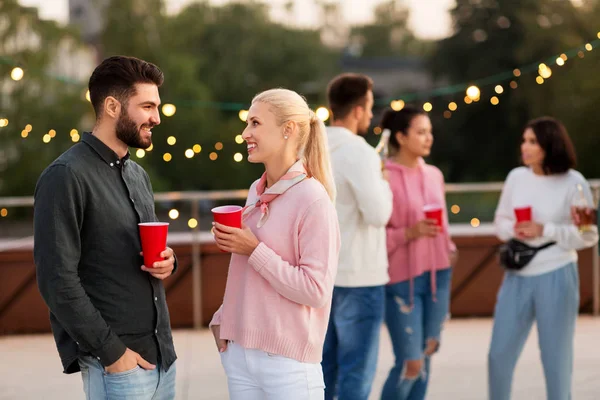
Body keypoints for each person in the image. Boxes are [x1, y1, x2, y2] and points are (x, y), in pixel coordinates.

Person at [34, 55, 177, 400]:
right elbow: (56, 280)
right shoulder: (65, 175)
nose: (156, 118)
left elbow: (128, 253)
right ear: (113, 106)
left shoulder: (137, 174)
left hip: (163, 359)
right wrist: (111, 353)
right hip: (118, 367)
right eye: (147, 106)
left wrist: (167, 261)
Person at [209, 88, 341, 400]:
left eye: (255, 123)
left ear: (288, 130)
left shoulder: (313, 199)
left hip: (288, 364)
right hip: (240, 355)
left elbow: (315, 290)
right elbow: (250, 276)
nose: (245, 133)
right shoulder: (257, 191)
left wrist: (253, 249)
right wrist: (224, 317)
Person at [488, 117, 598, 400]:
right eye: (524, 140)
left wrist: (544, 229)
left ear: (550, 145)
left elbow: (588, 235)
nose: (524, 147)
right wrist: (512, 229)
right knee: (498, 357)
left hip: (557, 273)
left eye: (532, 142)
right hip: (516, 276)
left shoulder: (574, 182)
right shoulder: (516, 177)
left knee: (556, 361)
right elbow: (500, 220)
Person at [322, 73, 393, 400]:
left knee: (322, 372)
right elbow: (379, 214)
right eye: (369, 107)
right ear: (357, 110)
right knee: (357, 373)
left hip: (319, 275)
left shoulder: (311, 147)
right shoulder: (361, 152)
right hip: (360, 278)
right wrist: (383, 180)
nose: (370, 114)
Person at [378, 106, 456, 400]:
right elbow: (374, 235)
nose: (428, 138)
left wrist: (450, 251)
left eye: (429, 132)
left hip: (438, 275)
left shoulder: (435, 174)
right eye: (421, 132)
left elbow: (443, 223)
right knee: (410, 363)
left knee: (427, 355)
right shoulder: (383, 175)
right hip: (400, 280)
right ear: (401, 136)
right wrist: (409, 232)